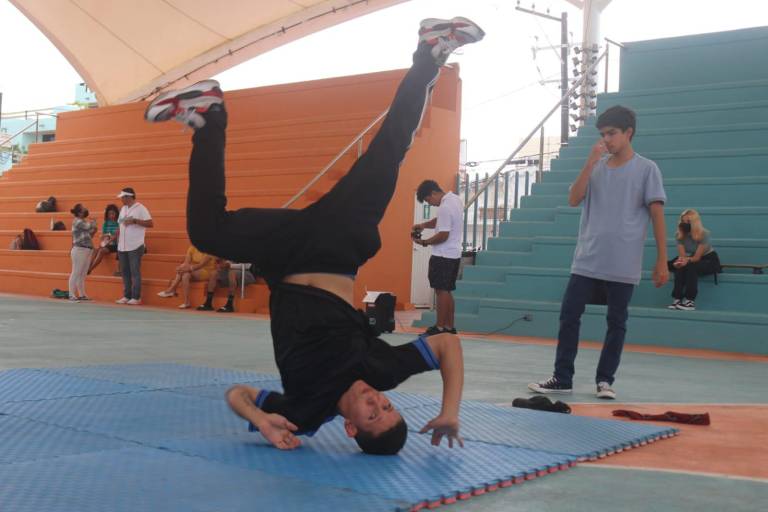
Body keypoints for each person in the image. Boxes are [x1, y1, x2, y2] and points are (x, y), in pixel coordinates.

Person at [144, 16, 484, 454]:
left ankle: (208, 115)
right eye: (388, 406)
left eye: (373, 414)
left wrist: (261, 420)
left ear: (350, 429)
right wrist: (450, 410)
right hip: (335, 245)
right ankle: (432, 51)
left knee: (207, 232)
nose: (377, 401)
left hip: (282, 259)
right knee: (390, 149)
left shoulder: (306, 412)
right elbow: (446, 343)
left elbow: (238, 395)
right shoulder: (382, 370)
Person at [528, 105, 669, 400]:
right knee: (569, 315)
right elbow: (573, 198)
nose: (606, 139)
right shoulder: (597, 168)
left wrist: (660, 261)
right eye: (603, 134)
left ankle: (605, 380)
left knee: (617, 322)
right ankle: (563, 377)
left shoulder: (647, 169)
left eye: (612, 133)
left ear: (628, 133)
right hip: (587, 260)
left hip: (623, 262)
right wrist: (590, 162)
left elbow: (657, 215)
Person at [413, 179, 464, 335]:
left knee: (441, 291)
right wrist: (423, 225)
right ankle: (449, 327)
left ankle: (440, 327)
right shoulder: (454, 199)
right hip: (453, 254)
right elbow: (441, 222)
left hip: (442, 254)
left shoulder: (444, 206)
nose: (431, 203)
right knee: (447, 291)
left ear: (434, 193)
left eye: (429, 200)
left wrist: (424, 242)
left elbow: (443, 234)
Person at [668, 209, 720, 311]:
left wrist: (686, 261)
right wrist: (681, 262)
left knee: (690, 266)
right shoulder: (679, 235)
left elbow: (697, 258)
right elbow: (683, 256)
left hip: (709, 259)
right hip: (692, 258)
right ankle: (677, 298)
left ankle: (689, 301)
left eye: (688, 222)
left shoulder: (704, 234)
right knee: (679, 264)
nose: (684, 224)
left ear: (694, 222)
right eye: (683, 221)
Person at [115, 187, 153, 305]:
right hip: (122, 245)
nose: (121, 199)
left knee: (135, 271)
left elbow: (150, 223)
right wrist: (113, 237)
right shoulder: (123, 209)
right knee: (125, 271)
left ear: (129, 197)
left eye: (123, 197)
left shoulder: (141, 208)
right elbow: (120, 226)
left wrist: (135, 221)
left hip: (135, 245)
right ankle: (127, 295)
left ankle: (136, 297)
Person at [68, 203, 97, 301]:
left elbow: (89, 235)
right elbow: (89, 226)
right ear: (79, 212)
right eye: (83, 209)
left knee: (83, 273)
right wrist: (93, 222)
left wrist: (94, 230)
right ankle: (71, 294)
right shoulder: (77, 221)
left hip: (87, 249)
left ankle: (82, 294)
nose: (86, 210)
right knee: (76, 272)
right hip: (79, 249)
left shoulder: (82, 222)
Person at [87, 204, 120, 275]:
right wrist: (103, 240)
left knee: (101, 250)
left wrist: (108, 238)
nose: (111, 216)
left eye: (113, 213)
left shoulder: (118, 223)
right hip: (107, 242)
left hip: (116, 244)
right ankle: (88, 267)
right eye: (109, 214)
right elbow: (104, 236)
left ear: (116, 214)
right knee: (95, 250)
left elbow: (116, 236)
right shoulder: (106, 223)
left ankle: (90, 269)